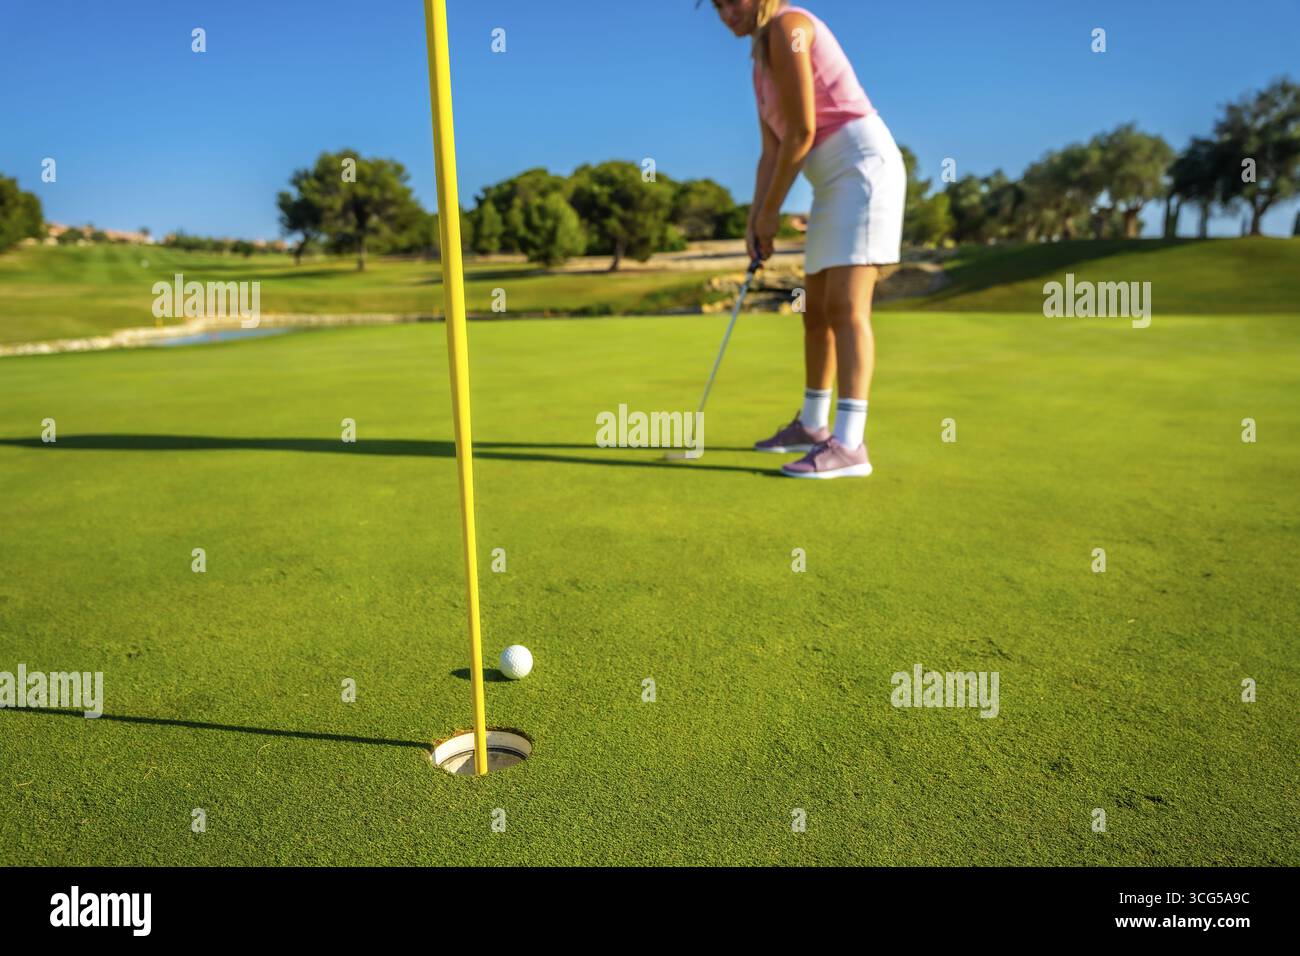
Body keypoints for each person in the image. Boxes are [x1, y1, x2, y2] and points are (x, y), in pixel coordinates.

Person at [710, 0, 905, 478]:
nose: (725, 12)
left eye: (730, 0)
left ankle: (850, 445)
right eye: (715, 5)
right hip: (828, 181)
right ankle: (813, 426)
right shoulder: (759, 62)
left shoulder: (789, 27)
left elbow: (802, 130)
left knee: (845, 307)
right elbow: (771, 150)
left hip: (862, 170)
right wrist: (755, 218)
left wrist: (773, 211)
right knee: (813, 312)